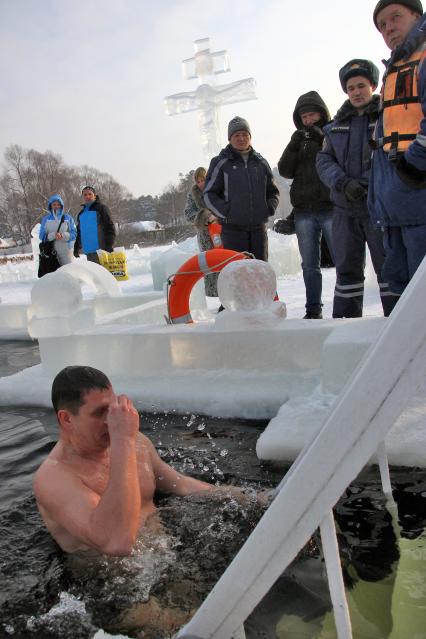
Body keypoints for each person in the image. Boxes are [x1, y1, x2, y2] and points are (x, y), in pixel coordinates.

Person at [33, 366, 245, 556]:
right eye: (99, 413)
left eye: (112, 408)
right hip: (112, 585)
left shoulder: (136, 443)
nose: (111, 420)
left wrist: (248, 498)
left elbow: (179, 484)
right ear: (66, 419)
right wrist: (122, 440)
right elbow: (116, 543)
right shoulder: (53, 478)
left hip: (166, 555)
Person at [316, 59, 398, 318]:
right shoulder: (333, 127)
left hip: (378, 208)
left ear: (372, 86)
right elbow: (323, 160)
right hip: (344, 209)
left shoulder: (388, 118)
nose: (356, 92)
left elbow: (391, 155)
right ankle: (344, 325)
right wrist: (343, 182)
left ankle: (396, 322)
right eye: (351, 88)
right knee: (347, 270)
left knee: (389, 267)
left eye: (361, 86)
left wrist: (367, 183)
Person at [369, 0, 426, 297]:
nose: (389, 28)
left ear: (416, 16)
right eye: (382, 25)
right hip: (395, 205)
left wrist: (413, 165)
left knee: (419, 296)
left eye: (395, 18)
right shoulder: (396, 68)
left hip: (418, 197)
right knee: (402, 292)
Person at [278, 91, 334, 319]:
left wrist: (322, 139)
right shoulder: (297, 140)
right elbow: (284, 170)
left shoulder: (332, 133)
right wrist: (293, 145)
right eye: (305, 117)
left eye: (312, 115)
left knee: (345, 259)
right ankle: (313, 310)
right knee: (310, 264)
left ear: (322, 114)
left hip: (331, 207)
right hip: (304, 212)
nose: (309, 120)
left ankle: (348, 306)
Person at [204, 116, 280, 261]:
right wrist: (226, 213)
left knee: (260, 272)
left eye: (245, 134)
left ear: (250, 137)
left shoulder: (261, 162)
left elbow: (273, 191)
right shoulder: (220, 162)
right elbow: (208, 194)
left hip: (258, 230)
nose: (241, 138)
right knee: (238, 275)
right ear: (230, 139)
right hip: (232, 231)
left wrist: (268, 208)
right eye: (236, 135)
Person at [184, 166, 219, 297]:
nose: (200, 184)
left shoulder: (217, 189)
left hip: (221, 232)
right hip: (205, 236)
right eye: (198, 181)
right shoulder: (192, 195)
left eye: (203, 180)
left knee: (224, 261)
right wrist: (205, 215)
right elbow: (188, 214)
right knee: (210, 264)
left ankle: (228, 293)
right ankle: (214, 295)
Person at [74, 186, 116, 263]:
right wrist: (76, 246)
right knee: (94, 274)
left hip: (101, 250)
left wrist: (109, 244)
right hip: (88, 251)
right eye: (85, 195)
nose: (87, 196)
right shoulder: (81, 214)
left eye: (90, 194)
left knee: (104, 274)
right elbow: (80, 232)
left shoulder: (101, 208)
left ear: (95, 196)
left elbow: (109, 226)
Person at [39, 194, 77, 266]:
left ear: (61, 206)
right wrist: (53, 235)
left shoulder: (68, 218)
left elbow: (74, 233)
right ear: (50, 206)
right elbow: (41, 236)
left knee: (67, 273)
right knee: (54, 276)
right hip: (50, 253)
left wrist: (63, 235)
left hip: (66, 252)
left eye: (58, 205)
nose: (56, 206)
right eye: (54, 204)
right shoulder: (45, 219)